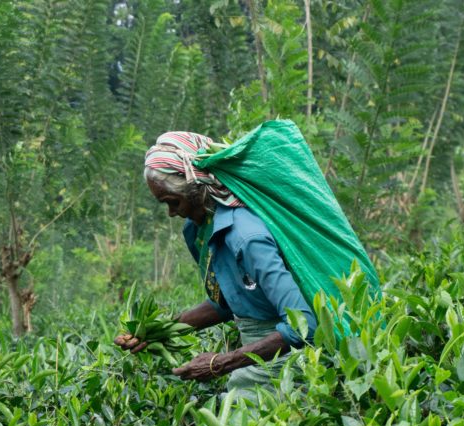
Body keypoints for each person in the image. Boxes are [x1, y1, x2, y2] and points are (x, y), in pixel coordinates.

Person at [114, 131, 317, 398]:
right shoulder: (200, 230)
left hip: (288, 361)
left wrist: (221, 362)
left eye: (173, 202)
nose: (172, 213)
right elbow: (229, 303)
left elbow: (303, 326)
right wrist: (157, 331)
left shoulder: (246, 237)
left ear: (196, 187)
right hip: (255, 356)